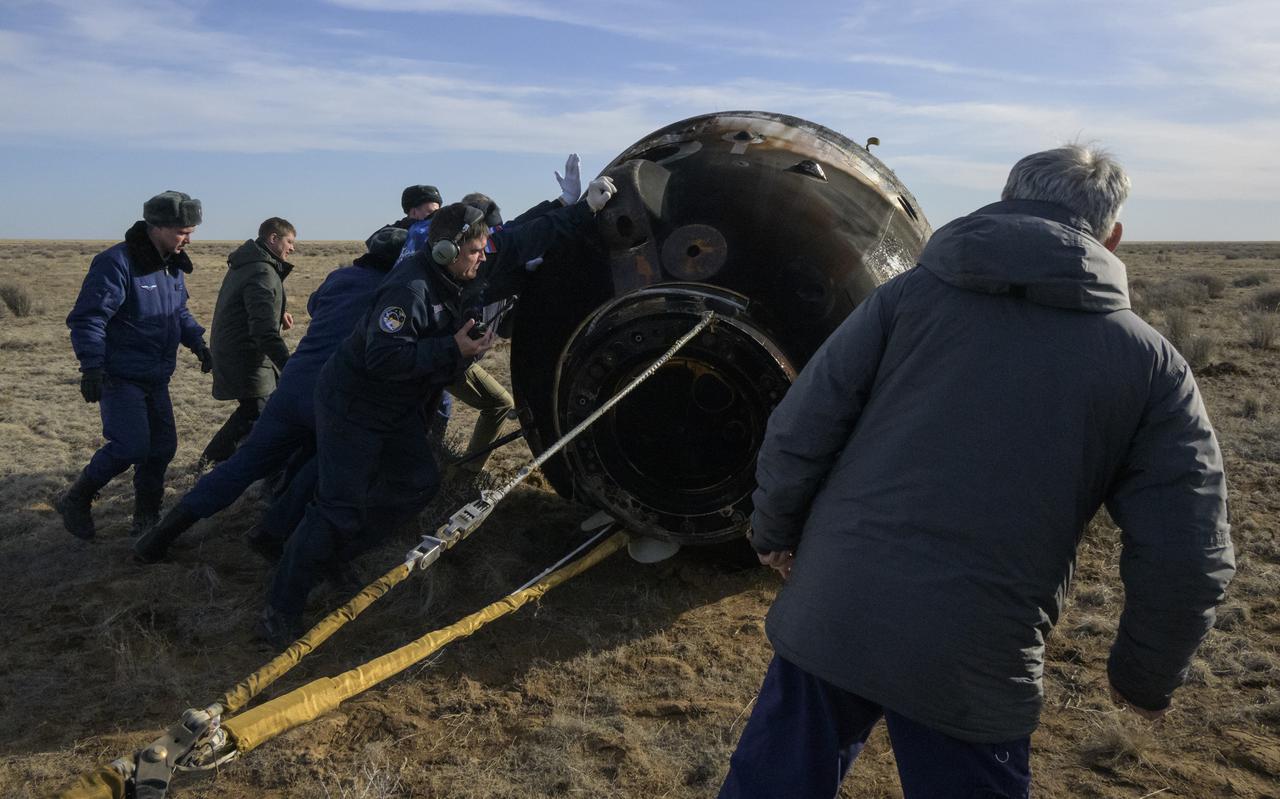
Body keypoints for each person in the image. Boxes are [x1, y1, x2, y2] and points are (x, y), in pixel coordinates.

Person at [720, 145, 1235, 798]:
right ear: (1113, 234)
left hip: (833, 609)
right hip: (975, 657)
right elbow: (1190, 548)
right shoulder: (1152, 366)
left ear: (1006, 198)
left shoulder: (903, 299)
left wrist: (774, 532)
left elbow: (801, 427)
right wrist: (1146, 675)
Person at [258, 177, 615, 647]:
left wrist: (580, 208)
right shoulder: (408, 292)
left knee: (417, 482)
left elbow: (527, 237)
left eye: (485, 249)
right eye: (475, 252)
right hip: (356, 406)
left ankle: (332, 556)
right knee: (337, 506)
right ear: (446, 252)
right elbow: (384, 359)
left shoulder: (473, 261)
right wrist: (452, 348)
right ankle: (280, 607)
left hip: (397, 405)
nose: (484, 258)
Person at [132, 227, 408, 563]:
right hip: (334, 396)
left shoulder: (341, 277)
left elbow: (315, 304)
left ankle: (161, 535)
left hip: (292, 386)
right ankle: (275, 534)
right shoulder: (394, 292)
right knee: (327, 464)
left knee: (244, 464)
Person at [58, 191, 213, 539]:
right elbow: (89, 318)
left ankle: (146, 518)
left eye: (191, 231)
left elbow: (178, 312)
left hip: (156, 376)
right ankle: (77, 498)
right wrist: (92, 366)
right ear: (156, 227)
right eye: (182, 232)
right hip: (120, 375)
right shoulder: (117, 263)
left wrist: (198, 343)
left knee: (162, 449)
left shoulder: (171, 264)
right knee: (130, 446)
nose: (188, 239)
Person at [200, 217, 297, 464]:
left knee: (259, 409)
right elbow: (263, 331)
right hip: (246, 356)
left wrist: (278, 311)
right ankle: (214, 461)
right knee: (257, 411)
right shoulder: (262, 271)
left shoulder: (250, 264)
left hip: (239, 351)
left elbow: (250, 305)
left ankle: (220, 461)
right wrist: (289, 366)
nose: (292, 248)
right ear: (273, 239)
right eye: (289, 241)